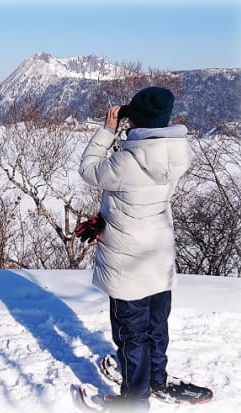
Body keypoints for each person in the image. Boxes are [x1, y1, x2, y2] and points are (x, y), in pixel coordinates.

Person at [77, 86, 192, 411]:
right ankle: (155, 378)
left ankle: (134, 400)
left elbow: (88, 170)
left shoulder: (126, 162)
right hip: (158, 255)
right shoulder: (177, 155)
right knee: (156, 325)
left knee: (132, 334)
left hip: (128, 263)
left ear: (136, 121)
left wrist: (108, 131)